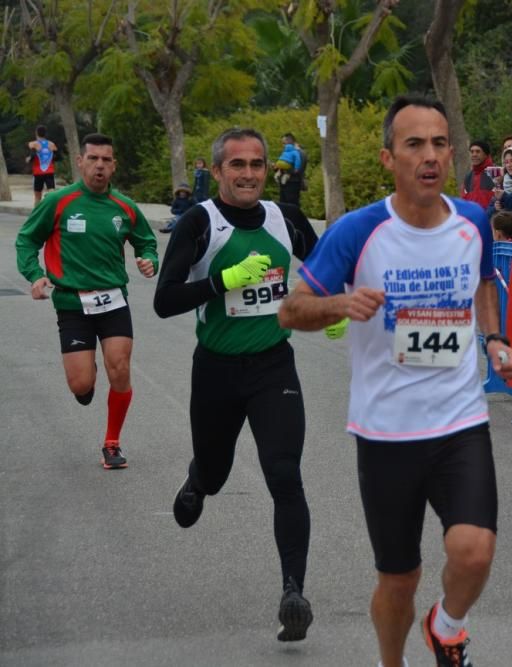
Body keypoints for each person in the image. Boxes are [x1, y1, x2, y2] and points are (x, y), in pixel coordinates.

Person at [277, 95, 512, 667]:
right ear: (389, 158)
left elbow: (485, 281)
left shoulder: (473, 221)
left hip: (460, 421)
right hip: (386, 432)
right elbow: (292, 310)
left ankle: (448, 626)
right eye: (414, 144)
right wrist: (341, 303)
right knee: (399, 578)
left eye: (438, 143)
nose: (429, 155)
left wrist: (493, 338)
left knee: (475, 549)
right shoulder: (358, 231)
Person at [153, 127, 319, 642]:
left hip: (273, 367)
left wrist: (329, 302)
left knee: (284, 475)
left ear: (268, 170)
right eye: (237, 165)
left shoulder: (285, 218)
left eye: (257, 165)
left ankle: (293, 592)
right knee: (218, 471)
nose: (248, 174)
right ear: (219, 171)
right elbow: (165, 301)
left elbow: (324, 265)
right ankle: (199, 479)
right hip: (217, 371)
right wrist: (225, 281)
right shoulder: (200, 222)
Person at [15, 133, 158, 470]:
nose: (99, 166)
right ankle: (86, 374)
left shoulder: (124, 207)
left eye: (106, 160)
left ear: (114, 166)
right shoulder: (59, 201)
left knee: (120, 368)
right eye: (93, 159)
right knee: (81, 385)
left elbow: (146, 241)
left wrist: (149, 258)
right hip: (71, 303)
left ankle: (112, 443)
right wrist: (35, 275)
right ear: (80, 162)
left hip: (113, 301)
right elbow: (26, 240)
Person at [27, 125, 59, 206]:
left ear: (36, 133)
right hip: (49, 172)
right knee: (52, 195)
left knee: (37, 197)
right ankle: (52, 213)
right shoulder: (52, 144)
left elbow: (33, 156)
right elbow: (58, 157)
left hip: (38, 172)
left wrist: (28, 159)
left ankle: (36, 215)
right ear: (45, 134)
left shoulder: (33, 144)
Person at [461, 139, 496, 210]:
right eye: (472, 152)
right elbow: (463, 200)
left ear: (486, 154)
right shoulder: (468, 177)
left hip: (491, 219)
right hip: (472, 219)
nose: (474, 154)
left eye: (478, 151)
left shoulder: (496, 172)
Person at [274, 133, 304, 207]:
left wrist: (286, 171)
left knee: (292, 205)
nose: (283, 145)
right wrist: (277, 168)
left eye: (284, 143)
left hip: (293, 183)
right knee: (283, 205)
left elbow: (299, 169)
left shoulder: (299, 153)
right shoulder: (287, 152)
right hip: (284, 183)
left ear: (290, 141)